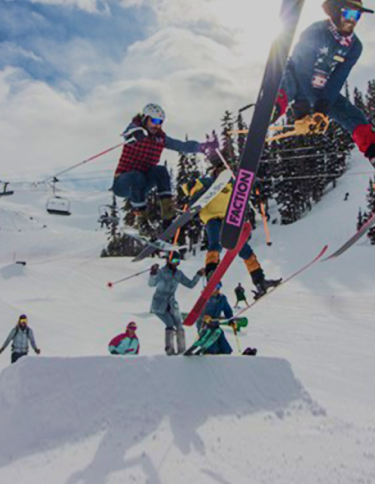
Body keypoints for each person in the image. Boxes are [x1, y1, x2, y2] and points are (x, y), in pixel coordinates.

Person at [277, 0, 375, 193]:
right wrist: (300, 109)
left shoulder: (354, 47)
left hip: (321, 87)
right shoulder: (316, 31)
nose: (353, 20)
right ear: (336, 11)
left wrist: (321, 109)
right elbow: (301, 67)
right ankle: (271, 109)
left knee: (355, 117)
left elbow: (337, 79)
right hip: (297, 76)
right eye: (349, 13)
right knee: (287, 79)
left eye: (358, 15)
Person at [111, 103, 219, 236]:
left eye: (160, 122)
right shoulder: (136, 130)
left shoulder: (160, 138)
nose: (157, 125)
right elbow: (129, 132)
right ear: (145, 118)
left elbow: (181, 145)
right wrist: (136, 133)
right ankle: (141, 220)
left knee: (160, 170)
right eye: (154, 121)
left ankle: (168, 215)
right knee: (136, 176)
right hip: (123, 183)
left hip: (144, 183)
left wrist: (204, 147)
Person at [180, 157, 280, 295]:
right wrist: (190, 187)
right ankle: (211, 275)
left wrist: (255, 185)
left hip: (230, 221)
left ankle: (260, 281)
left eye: (225, 168)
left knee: (245, 250)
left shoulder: (233, 184)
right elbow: (188, 189)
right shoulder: (207, 182)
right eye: (219, 168)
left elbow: (245, 190)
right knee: (215, 244)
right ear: (215, 170)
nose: (222, 171)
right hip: (213, 219)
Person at [148, 257, 204, 355]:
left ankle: (182, 349)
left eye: (177, 261)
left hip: (171, 303)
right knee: (169, 323)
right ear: (168, 260)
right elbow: (151, 284)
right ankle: (169, 348)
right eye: (173, 260)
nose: (175, 263)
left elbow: (190, 284)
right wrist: (153, 273)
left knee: (179, 325)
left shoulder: (178, 274)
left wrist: (198, 275)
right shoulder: (161, 272)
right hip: (159, 304)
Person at [195, 284, 234, 355]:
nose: (217, 289)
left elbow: (227, 310)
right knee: (212, 348)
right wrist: (204, 318)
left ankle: (222, 356)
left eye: (218, 287)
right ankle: (208, 351)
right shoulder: (204, 298)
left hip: (216, 327)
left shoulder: (222, 298)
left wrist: (231, 320)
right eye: (215, 287)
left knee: (226, 348)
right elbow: (198, 312)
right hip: (205, 327)